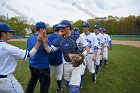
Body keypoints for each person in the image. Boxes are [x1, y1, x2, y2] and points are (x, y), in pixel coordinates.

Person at [0, 22, 42, 93]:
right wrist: (38, 42)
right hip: (7, 81)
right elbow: (30, 54)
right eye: (9, 32)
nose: (11, 33)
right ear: (3, 33)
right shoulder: (9, 48)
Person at [50, 20, 90, 93]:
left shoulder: (77, 36)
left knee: (73, 89)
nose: (61, 29)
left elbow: (87, 46)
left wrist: (82, 55)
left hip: (76, 64)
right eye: (60, 28)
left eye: (63, 27)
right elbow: (50, 50)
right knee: (67, 84)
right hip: (66, 64)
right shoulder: (59, 39)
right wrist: (43, 42)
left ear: (69, 27)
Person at [26, 22, 52, 93]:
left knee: (32, 82)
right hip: (42, 66)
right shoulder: (44, 39)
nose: (46, 30)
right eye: (45, 29)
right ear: (41, 29)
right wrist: (45, 41)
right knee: (44, 86)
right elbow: (49, 51)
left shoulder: (30, 38)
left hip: (32, 65)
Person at [80, 22, 98, 87]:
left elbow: (96, 47)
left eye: (85, 27)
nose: (83, 28)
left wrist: (95, 56)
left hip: (90, 55)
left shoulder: (93, 36)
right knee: (81, 70)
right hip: (83, 55)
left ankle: (94, 77)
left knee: (91, 70)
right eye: (83, 27)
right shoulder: (81, 35)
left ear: (88, 28)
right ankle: (81, 83)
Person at [48, 24, 63, 92]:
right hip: (59, 59)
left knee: (49, 76)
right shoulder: (62, 37)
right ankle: (59, 88)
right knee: (59, 76)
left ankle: (45, 89)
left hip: (50, 60)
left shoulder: (49, 36)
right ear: (60, 29)